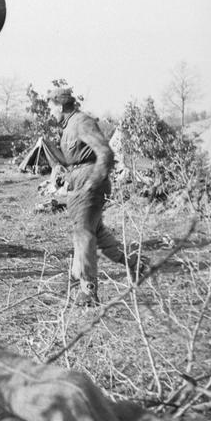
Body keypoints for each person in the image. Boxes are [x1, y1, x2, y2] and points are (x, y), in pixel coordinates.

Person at [48, 87, 141, 306]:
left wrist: (93, 181)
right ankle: (137, 263)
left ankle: (88, 289)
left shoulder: (81, 122)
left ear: (60, 107)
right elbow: (76, 156)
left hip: (89, 182)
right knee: (95, 231)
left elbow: (106, 153)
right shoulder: (69, 125)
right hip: (78, 180)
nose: (51, 113)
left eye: (52, 108)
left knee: (84, 233)